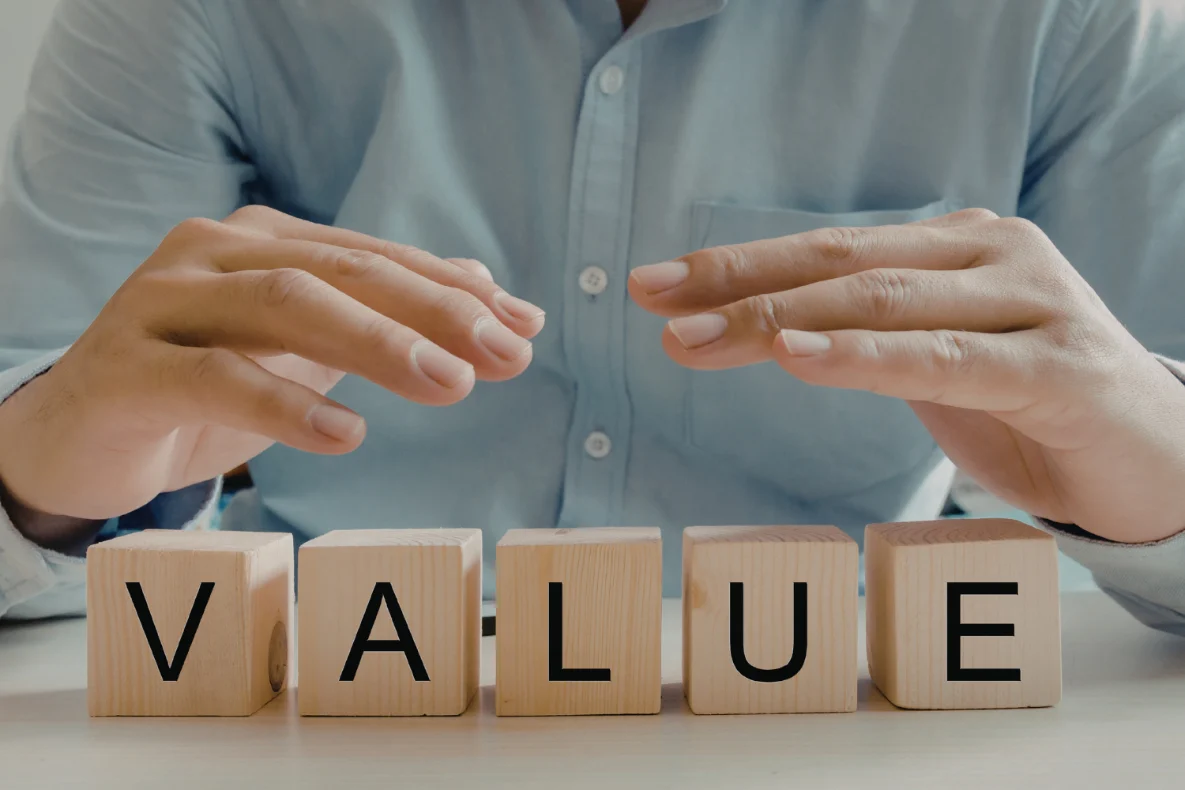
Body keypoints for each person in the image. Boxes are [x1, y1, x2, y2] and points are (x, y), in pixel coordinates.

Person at [1, 0, 1184, 632]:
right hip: (327, 697)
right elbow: (41, 400)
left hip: (852, 698)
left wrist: (1157, 484)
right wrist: (44, 486)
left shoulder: (1080, 21)